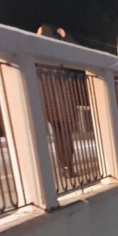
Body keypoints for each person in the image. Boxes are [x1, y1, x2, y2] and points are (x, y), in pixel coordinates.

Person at [36, 24, 79, 179]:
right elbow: (79, 52)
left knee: (58, 135)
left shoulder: (38, 51)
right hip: (64, 99)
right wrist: (66, 36)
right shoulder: (59, 49)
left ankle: (65, 167)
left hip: (50, 102)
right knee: (66, 136)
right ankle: (68, 167)